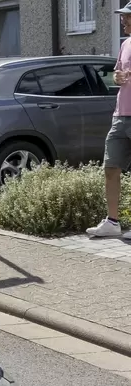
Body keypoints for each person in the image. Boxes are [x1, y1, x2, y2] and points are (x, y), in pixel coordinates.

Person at [89, 3, 131, 238]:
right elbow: (117, 74)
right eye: (123, 17)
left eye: (127, 17)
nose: (123, 21)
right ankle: (112, 222)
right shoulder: (125, 44)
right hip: (120, 115)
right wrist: (117, 76)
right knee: (110, 167)